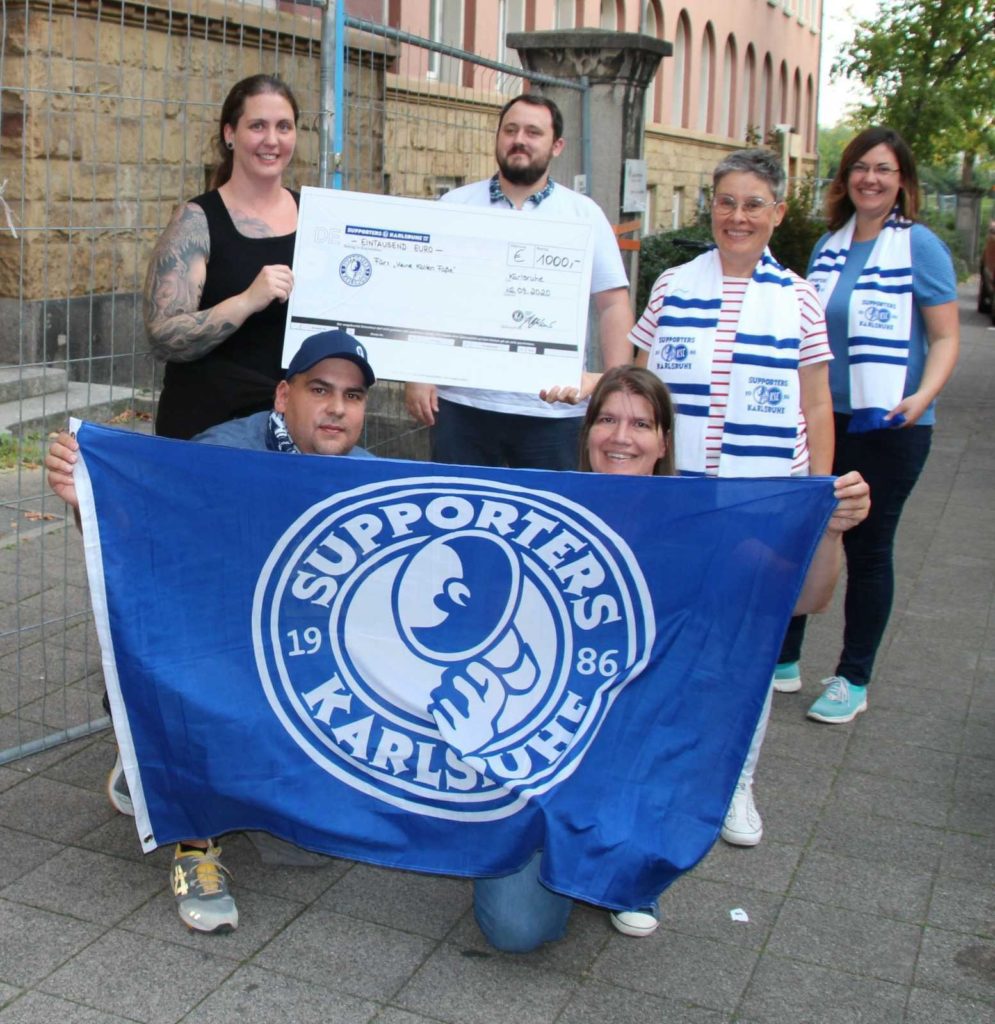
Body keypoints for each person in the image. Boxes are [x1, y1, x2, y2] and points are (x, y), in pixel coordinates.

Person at [475, 367, 871, 951]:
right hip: (547, 755)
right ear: (587, 434)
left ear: (664, 442)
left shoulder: (705, 527)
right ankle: (538, 838)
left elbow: (808, 597)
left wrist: (832, 531)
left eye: (641, 424)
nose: (621, 437)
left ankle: (635, 859)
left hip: (643, 757)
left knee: (596, 880)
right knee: (516, 929)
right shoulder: (547, 509)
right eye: (607, 419)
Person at [45, 330, 376, 935]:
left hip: (285, 646)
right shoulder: (222, 454)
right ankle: (193, 842)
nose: (336, 408)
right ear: (284, 395)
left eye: (352, 397)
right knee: (200, 669)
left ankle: (178, 768)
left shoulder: (369, 478)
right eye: (319, 390)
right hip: (208, 639)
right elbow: (144, 543)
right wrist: (82, 500)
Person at [627, 148, 834, 850]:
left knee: (746, 647)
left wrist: (817, 498)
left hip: (762, 506)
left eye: (752, 204)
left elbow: (814, 404)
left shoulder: (799, 297)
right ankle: (666, 771)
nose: (737, 215)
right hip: (679, 504)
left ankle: (736, 782)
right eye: (725, 202)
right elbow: (639, 384)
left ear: (775, 213)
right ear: (708, 208)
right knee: (672, 639)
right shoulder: (672, 287)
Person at [793, 126, 959, 724]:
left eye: (884, 169)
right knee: (804, 532)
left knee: (866, 547)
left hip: (891, 423)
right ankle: (786, 660)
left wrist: (923, 396)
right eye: (861, 167)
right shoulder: (826, 248)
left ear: (902, 182)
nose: (871, 178)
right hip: (821, 418)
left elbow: (943, 336)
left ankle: (851, 677)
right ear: (845, 178)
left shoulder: (921, 248)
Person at [404, 93, 635, 470]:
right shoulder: (455, 206)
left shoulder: (583, 214)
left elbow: (613, 304)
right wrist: (417, 373)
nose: (519, 140)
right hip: (464, 405)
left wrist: (610, 382)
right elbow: (427, 297)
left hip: (556, 411)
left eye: (533, 132)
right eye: (510, 130)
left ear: (556, 145)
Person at [145, 74, 300, 441]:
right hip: (208, 424)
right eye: (257, 126)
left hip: (292, 428)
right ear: (230, 134)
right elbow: (163, 337)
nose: (272, 140)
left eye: (284, 126)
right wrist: (247, 300)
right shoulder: (197, 221)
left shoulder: (318, 218)